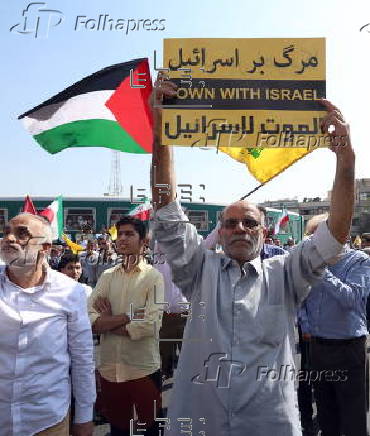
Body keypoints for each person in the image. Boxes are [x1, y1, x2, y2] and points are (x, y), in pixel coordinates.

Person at [150, 76, 355, 436]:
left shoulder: (287, 273)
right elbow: (166, 208)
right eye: (230, 224)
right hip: (201, 419)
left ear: (264, 231)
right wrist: (162, 132)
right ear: (219, 230)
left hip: (268, 420)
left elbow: (335, 232)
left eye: (249, 222)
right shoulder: (198, 269)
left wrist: (345, 155)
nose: (240, 229)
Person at [0, 213, 95, 436]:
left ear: (45, 248)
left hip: (47, 420)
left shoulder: (70, 291)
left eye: (22, 234)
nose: (10, 239)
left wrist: (84, 416)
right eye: (6, 233)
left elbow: (82, 358)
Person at [88, 217, 165, 436]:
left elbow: (150, 325)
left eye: (129, 234)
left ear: (144, 241)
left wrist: (107, 321)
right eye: (119, 233)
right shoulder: (107, 276)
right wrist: (129, 316)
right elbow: (90, 319)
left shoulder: (153, 277)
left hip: (143, 368)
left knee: (151, 428)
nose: (122, 238)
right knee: (119, 429)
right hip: (110, 369)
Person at [299, 214, 370, 436]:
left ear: (341, 235)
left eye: (318, 236)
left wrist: (321, 271)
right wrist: (307, 326)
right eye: (312, 236)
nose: (313, 242)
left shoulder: (359, 260)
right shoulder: (311, 263)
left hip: (348, 348)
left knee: (352, 417)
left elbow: (352, 299)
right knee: (326, 412)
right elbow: (302, 298)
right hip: (319, 346)